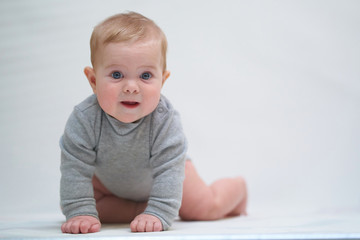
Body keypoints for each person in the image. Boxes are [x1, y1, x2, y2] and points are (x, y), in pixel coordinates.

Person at [60, 11, 247, 234]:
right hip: (111, 183)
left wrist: (159, 211)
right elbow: (75, 169)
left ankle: (238, 188)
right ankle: (141, 209)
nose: (131, 87)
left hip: (169, 174)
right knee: (89, 208)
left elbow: (169, 169)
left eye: (145, 76)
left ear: (163, 80)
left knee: (201, 209)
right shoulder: (84, 119)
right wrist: (80, 210)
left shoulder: (164, 120)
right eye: (117, 75)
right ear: (93, 80)